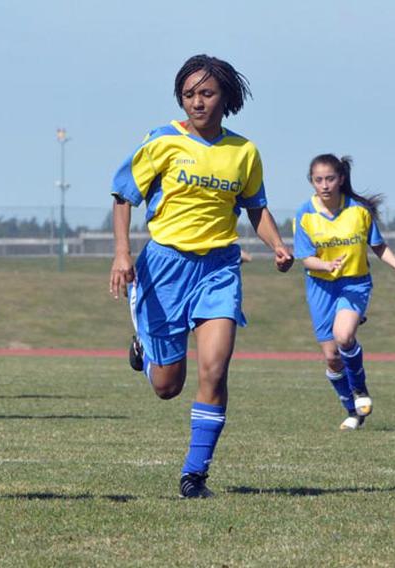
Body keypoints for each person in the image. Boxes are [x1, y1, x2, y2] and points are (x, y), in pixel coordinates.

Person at [110, 54, 293, 499]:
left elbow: (255, 207)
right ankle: (146, 350)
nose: (197, 101)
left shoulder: (244, 152)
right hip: (165, 268)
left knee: (215, 368)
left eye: (207, 93)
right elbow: (123, 194)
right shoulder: (162, 142)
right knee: (167, 387)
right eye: (189, 94)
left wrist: (277, 245)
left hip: (219, 269)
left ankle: (194, 475)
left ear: (226, 98)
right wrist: (122, 254)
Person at [294, 155, 395, 430]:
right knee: (332, 358)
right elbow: (305, 258)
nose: (324, 185)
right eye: (318, 180)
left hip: (354, 283)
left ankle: (360, 390)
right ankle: (352, 411)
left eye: (330, 179)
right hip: (320, 286)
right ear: (311, 182)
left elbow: (378, 246)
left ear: (340, 179)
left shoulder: (359, 210)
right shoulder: (304, 213)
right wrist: (325, 265)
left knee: (344, 335)